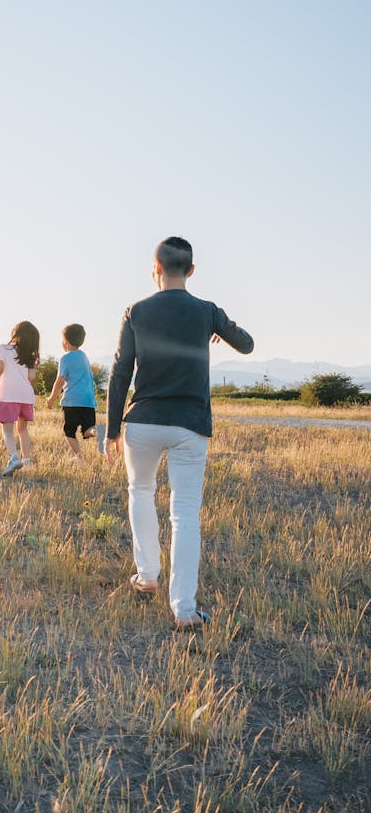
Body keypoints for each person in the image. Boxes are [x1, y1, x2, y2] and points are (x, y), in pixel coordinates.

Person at [104, 237, 253, 630]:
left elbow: (120, 372)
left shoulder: (135, 310)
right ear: (191, 270)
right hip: (190, 423)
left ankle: (147, 575)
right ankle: (184, 610)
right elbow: (247, 345)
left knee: (141, 492)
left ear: (155, 268)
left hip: (144, 420)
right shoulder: (205, 311)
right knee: (185, 514)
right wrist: (214, 328)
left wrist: (111, 429)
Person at [0, 321, 40, 477]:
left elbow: (0, 370)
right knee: (23, 429)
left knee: (7, 429)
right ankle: (27, 461)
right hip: (26, 395)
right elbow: (32, 377)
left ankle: (14, 458)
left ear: (16, 333)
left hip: (9, 394)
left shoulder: (3, 349)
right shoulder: (30, 355)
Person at [46, 324, 100, 459]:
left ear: (65, 341)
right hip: (88, 401)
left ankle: (79, 457)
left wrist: (52, 398)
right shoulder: (84, 356)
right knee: (88, 429)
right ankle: (98, 432)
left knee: (69, 431)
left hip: (72, 401)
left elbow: (60, 380)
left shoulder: (65, 358)